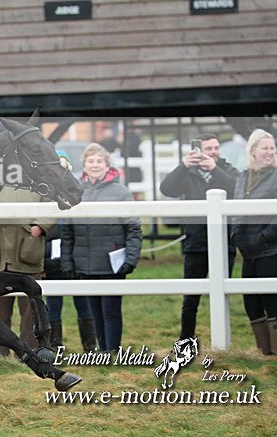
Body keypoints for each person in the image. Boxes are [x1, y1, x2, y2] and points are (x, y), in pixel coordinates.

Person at [60, 143, 142, 353]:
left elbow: (133, 228)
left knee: (111, 311)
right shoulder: (75, 190)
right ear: (84, 165)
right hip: (84, 263)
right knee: (95, 311)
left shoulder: (121, 192)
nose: (95, 165)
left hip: (111, 263)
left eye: (99, 161)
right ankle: (102, 351)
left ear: (107, 165)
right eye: (91, 161)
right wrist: (67, 261)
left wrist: (131, 259)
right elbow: (67, 231)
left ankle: (112, 351)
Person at [159, 133, 239, 340]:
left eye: (216, 148)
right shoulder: (187, 172)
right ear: (197, 151)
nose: (213, 152)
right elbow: (166, 189)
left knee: (223, 296)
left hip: (224, 243)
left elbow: (236, 189)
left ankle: (223, 342)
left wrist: (215, 168)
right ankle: (186, 341)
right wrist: (183, 166)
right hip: (196, 243)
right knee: (190, 298)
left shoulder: (227, 169)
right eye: (208, 149)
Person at [0, 124, 56, 356]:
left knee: (30, 307)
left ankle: (30, 350)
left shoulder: (37, 171)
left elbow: (52, 202)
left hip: (27, 246)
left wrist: (40, 226)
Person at [43, 151, 96, 352]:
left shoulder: (75, 197)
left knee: (83, 302)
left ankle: (90, 346)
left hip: (74, 260)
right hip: (51, 260)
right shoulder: (43, 196)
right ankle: (55, 346)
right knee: (53, 305)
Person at [230, 129, 277, 355]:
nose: (270, 152)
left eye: (272, 147)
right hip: (247, 251)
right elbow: (236, 209)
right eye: (265, 148)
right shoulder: (242, 177)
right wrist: (235, 235)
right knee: (251, 302)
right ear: (253, 151)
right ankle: (263, 353)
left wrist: (266, 236)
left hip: (270, 248)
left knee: (273, 300)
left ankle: (275, 353)